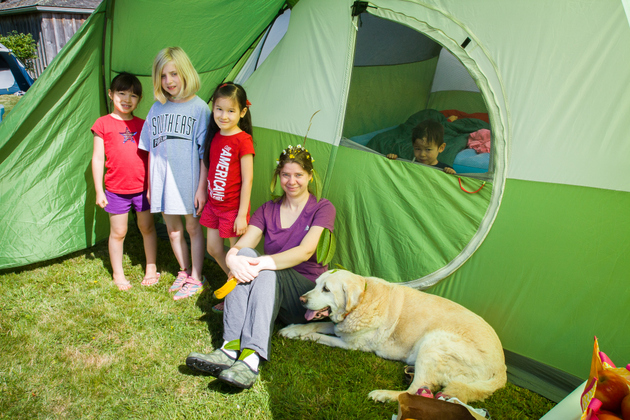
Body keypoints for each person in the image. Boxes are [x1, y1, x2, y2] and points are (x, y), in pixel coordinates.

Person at [186, 145, 336, 389]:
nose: (292, 181)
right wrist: (233, 257)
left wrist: (262, 263)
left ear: (310, 176)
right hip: (270, 293)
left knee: (263, 266)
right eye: (286, 175)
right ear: (278, 176)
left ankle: (251, 359)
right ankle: (229, 348)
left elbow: (306, 250)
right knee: (245, 254)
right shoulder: (269, 209)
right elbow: (245, 244)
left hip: (304, 298)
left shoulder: (322, 207)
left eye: (299, 175)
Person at [138, 47, 211, 300]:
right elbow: (150, 149)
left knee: (192, 228)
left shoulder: (200, 108)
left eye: (174, 74)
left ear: (186, 73)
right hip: (163, 181)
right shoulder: (156, 109)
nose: (169, 81)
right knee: (173, 230)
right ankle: (184, 269)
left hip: (189, 181)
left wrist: (202, 187)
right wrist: (150, 185)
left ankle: (197, 276)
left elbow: (205, 154)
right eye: (163, 76)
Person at [91, 72, 158, 291]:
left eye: (133, 95)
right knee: (118, 232)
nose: (127, 99)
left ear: (139, 99)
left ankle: (150, 266)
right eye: (122, 93)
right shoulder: (102, 124)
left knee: (146, 227)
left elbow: (151, 158)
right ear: (111, 94)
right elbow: (98, 158)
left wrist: (152, 187)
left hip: (142, 189)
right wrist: (99, 191)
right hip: (116, 190)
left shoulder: (144, 124)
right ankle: (118, 274)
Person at [200, 82, 254, 277]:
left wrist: (241, 215)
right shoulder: (215, 136)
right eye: (219, 109)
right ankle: (232, 283)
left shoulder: (243, 140)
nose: (223, 116)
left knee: (235, 255)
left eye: (231, 111)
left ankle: (237, 293)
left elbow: (248, 180)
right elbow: (208, 166)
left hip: (232, 210)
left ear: (242, 112)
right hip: (214, 206)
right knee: (213, 249)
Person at [387, 119, 456, 174]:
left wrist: (452, 175)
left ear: (441, 148)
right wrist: (392, 161)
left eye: (428, 149)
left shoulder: (445, 170)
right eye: (418, 149)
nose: (422, 154)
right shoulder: (410, 165)